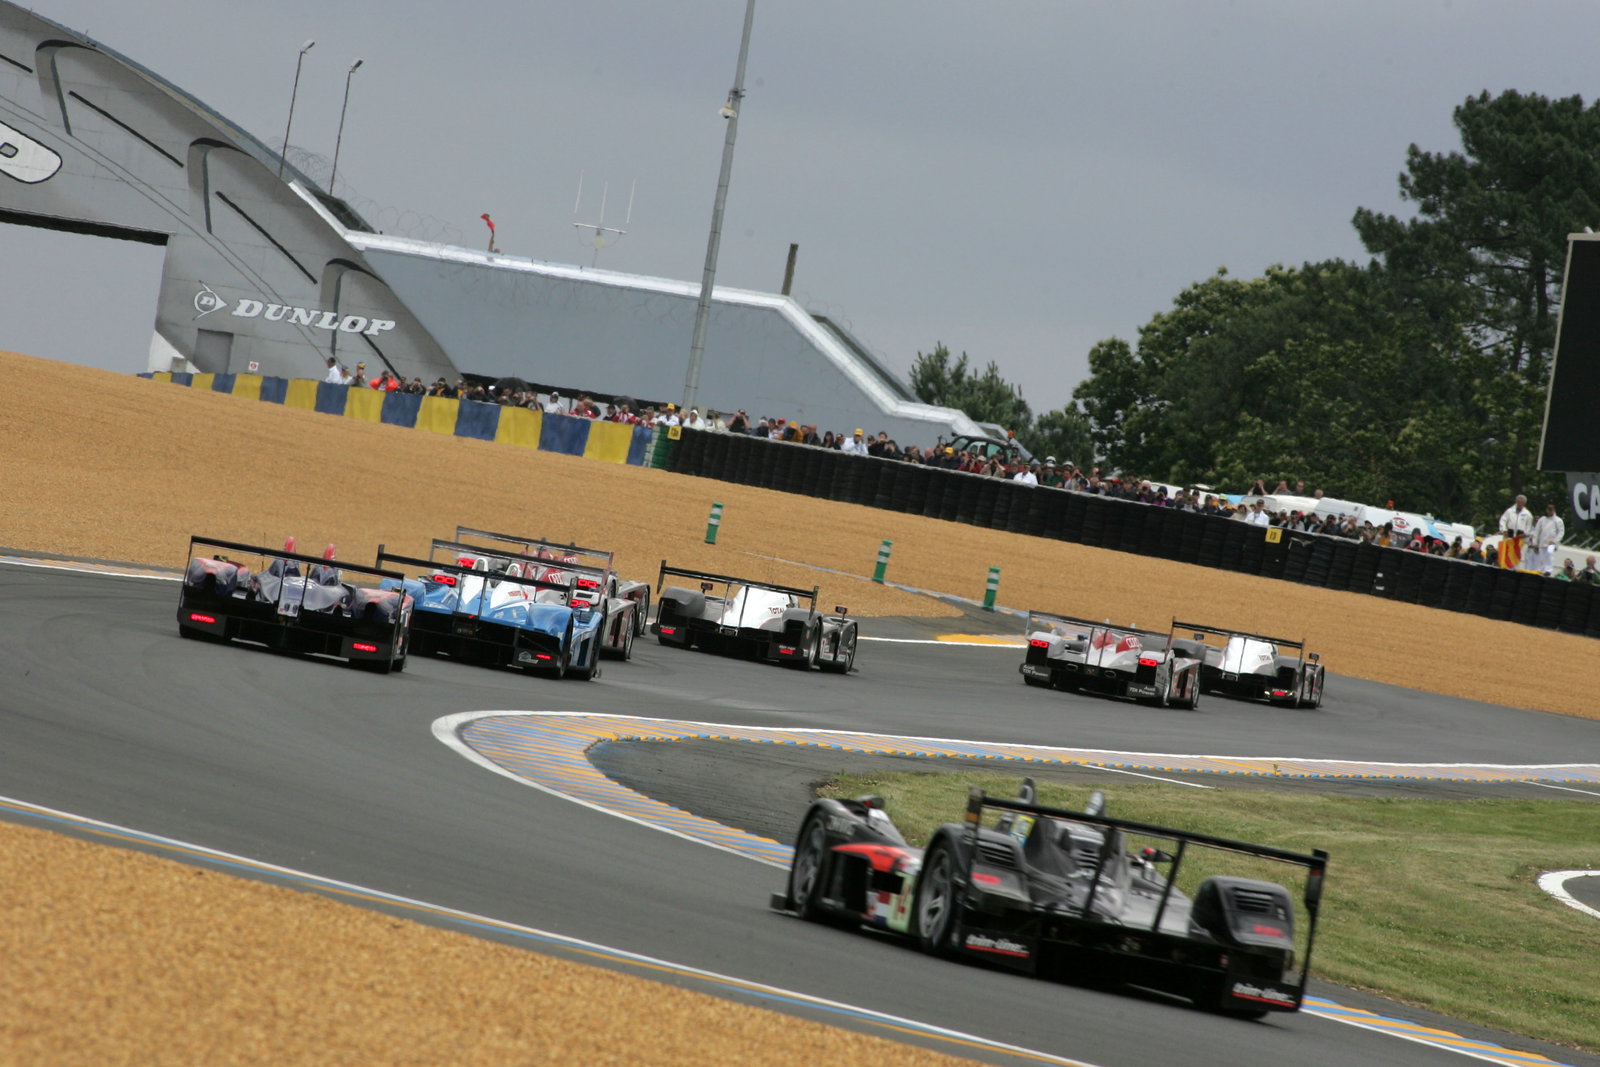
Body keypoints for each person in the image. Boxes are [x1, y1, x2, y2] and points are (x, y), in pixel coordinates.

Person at [1497, 494, 1533, 570]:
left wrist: (1525, 533)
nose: (1520, 504)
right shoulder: (1509, 511)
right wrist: (1504, 530)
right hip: (1509, 535)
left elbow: (1529, 526)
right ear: (1516, 501)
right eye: (1519, 502)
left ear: (1524, 503)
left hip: (1519, 537)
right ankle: (1504, 567)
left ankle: (1514, 569)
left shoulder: (1527, 514)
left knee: (1516, 553)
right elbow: (1503, 520)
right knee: (1506, 552)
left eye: (1522, 502)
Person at [1529, 503, 1565, 576]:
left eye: (1551, 510)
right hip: (1542, 542)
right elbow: (1537, 531)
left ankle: (1548, 570)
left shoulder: (1558, 520)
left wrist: (1555, 541)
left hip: (1551, 543)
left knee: (1549, 555)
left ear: (1554, 510)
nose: (1549, 512)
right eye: (1548, 510)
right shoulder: (1542, 519)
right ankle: (1542, 571)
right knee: (1542, 557)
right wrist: (1535, 542)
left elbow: (1561, 532)